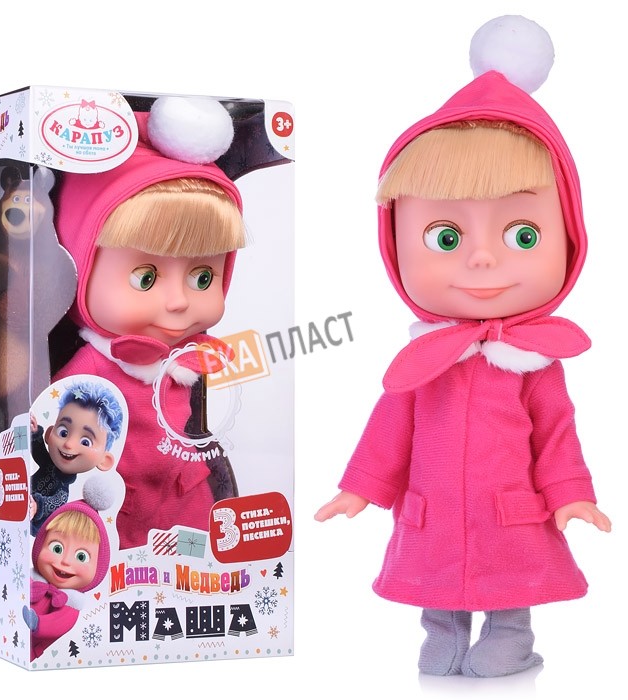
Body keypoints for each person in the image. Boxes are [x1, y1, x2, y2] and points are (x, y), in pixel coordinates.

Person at [315, 16, 611, 678]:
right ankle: (442, 633)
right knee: (436, 569)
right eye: (446, 238)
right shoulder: (424, 360)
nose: (481, 259)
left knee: (513, 569)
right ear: (394, 243)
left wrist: (570, 493)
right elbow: (391, 426)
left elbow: (556, 433)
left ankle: (510, 635)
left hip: (512, 505)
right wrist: (359, 488)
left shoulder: (536, 361)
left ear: (569, 237)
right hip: (435, 506)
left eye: (522, 236)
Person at [53, 96, 245, 548]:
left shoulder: (191, 355)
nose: (178, 302)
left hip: (185, 494)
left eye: (203, 277)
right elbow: (52, 428)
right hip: (118, 504)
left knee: (198, 574)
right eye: (146, 278)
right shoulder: (92, 368)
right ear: (79, 271)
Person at [23, 477, 112, 660]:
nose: (64, 562)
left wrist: (37, 623)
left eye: (81, 557)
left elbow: (59, 624)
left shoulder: (70, 604)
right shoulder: (29, 580)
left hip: (32, 649)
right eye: (57, 548)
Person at [30, 381, 123, 535]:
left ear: (104, 460)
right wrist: (35, 433)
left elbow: (53, 503)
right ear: (49, 433)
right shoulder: (48, 463)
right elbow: (39, 454)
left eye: (85, 442)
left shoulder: (63, 492)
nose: (69, 444)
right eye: (63, 432)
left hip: (32, 523)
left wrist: (37, 506)